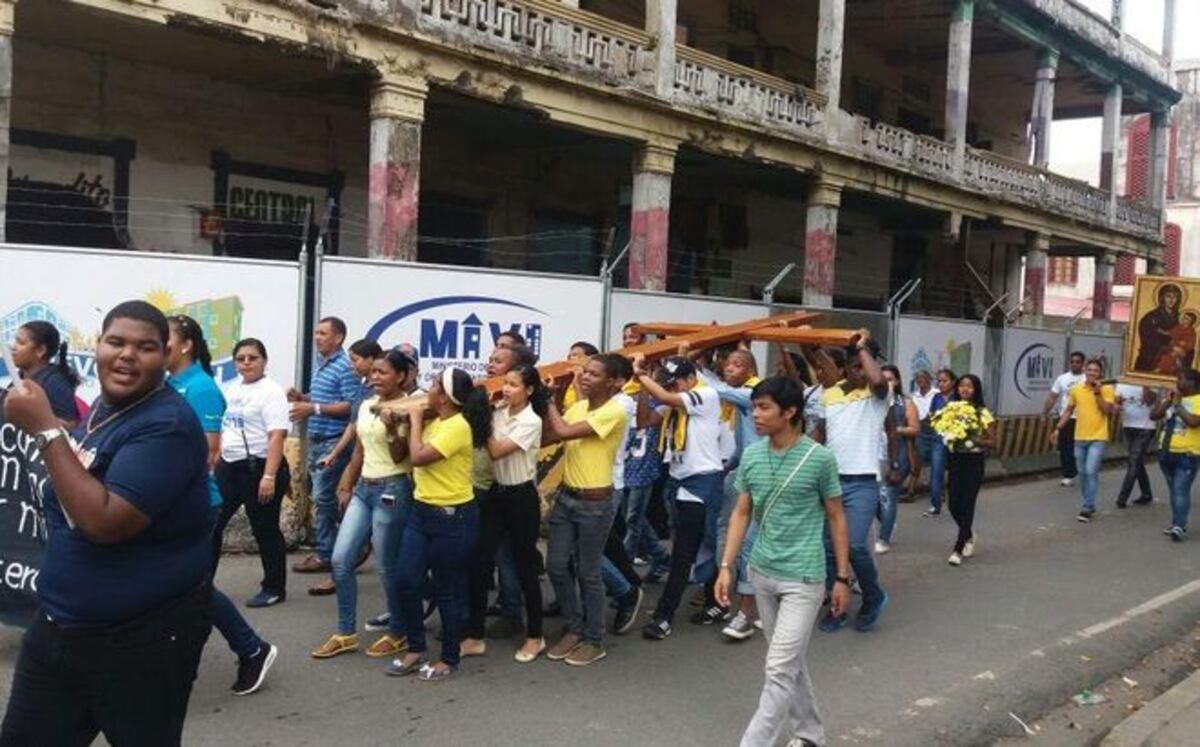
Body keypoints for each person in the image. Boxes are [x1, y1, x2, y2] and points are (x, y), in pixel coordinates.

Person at [0, 301, 212, 745]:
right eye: (116, 342)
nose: (127, 355)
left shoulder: (167, 424)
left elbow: (104, 522)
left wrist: (45, 429)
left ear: (165, 356)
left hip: (139, 640)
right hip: (57, 626)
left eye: (145, 347)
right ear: (97, 346)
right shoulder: (103, 406)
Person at [715, 376, 850, 747]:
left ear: (790, 412)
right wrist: (726, 567)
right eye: (754, 407)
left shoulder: (819, 459)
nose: (755, 415)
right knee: (789, 663)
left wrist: (842, 577)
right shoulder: (753, 455)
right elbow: (742, 512)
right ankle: (810, 734)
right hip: (761, 573)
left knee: (778, 668)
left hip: (803, 578)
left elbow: (837, 516)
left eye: (764, 407)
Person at [166, 315, 277, 696]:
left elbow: (208, 453)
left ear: (185, 345)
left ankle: (251, 648)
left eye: (163, 338)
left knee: (191, 585)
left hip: (189, 502)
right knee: (179, 584)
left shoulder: (201, 388)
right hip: (168, 500)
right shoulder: (170, 383)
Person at [312, 350, 417, 660]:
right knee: (340, 560)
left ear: (401, 376)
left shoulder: (410, 408)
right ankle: (345, 633)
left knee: (387, 567)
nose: (375, 377)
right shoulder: (366, 404)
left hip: (393, 489)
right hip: (363, 489)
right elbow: (359, 450)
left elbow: (401, 456)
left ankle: (398, 632)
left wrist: (391, 427)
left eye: (383, 372)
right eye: (373, 372)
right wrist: (346, 485)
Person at [390, 367, 491, 681]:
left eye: (434, 385)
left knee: (447, 589)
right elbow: (401, 454)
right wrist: (395, 427)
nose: (428, 389)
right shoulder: (437, 420)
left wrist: (414, 420)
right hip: (421, 511)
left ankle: (449, 658)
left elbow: (419, 457)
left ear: (445, 397)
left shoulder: (457, 426)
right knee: (405, 580)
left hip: (452, 517)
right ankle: (416, 648)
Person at [538, 353, 627, 666]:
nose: (585, 377)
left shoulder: (614, 411)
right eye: (585, 372)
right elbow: (550, 436)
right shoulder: (577, 408)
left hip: (595, 503)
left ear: (612, 382)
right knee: (556, 566)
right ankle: (574, 628)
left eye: (594, 374)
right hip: (567, 497)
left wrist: (549, 402)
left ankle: (594, 638)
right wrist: (548, 406)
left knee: (588, 572)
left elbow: (563, 432)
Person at [634, 356, 725, 642]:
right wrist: (644, 389)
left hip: (703, 481)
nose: (672, 388)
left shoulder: (705, 395)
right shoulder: (676, 401)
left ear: (690, 379)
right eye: (669, 384)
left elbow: (665, 397)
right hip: (678, 480)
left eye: (675, 383)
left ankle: (664, 615)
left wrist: (641, 376)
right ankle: (716, 601)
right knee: (694, 546)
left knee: (690, 549)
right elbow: (645, 421)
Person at [463, 364, 549, 662]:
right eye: (505, 383)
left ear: (529, 390)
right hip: (496, 493)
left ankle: (535, 636)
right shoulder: (499, 412)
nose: (507, 389)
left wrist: (482, 418)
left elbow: (497, 450)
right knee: (479, 562)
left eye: (514, 384)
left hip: (521, 496)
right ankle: (475, 636)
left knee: (525, 566)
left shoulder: (531, 421)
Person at [815, 330, 891, 633]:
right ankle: (838, 607)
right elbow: (820, 433)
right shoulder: (831, 394)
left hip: (862, 482)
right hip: (831, 481)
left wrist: (862, 348)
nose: (860, 371)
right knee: (830, 549)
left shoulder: (878, 394)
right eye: (854, 366)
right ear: (846, 367)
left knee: (857, 545)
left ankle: (873, 595)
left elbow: (877, 380)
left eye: (864, 365)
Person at [214, 339, 292, 607]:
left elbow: (277, 436)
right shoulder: (232, 389)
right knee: (212, 522)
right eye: (241, 358)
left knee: (264, 529)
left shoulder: (271, 392)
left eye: (253, 358)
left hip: (258, 467)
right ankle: (202, 584)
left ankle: (274, 588)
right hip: (229, 465)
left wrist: (269, 476)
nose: (246, 363)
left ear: (264, 361)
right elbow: (226, 427)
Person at [288, 318, 363, 593]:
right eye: (316, 332)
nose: (317, 337)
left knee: (323, 497)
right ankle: (345, 546)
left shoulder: (345, 366)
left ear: (339, 337)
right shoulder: (322, 363)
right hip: (317, 440)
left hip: (334, 441)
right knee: (322, 497)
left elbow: (352, 406)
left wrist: (314, 409)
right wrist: (304, 397)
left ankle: (329, 553)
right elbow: (326, 397)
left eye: (323, 333)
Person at [697, 348, 764, 639]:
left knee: (745, 541)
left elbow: (715, 389)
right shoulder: (742, 402)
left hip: (759, 477)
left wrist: (688, 363)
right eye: (728, 364)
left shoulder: (751, 394)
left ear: (751, 371)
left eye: (737, 365)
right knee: (729, 535)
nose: (728, 368)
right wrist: (730, 466)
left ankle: (744, 609)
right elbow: (743, 441)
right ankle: (733, 595)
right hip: (742, 473)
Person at [940, 375, 998, 566]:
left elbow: (993, 442)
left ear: (976, 390)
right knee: (953, 504)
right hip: (955, 460)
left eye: (970, 386)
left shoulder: (982, 412)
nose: (965, 389)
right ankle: (968, 533)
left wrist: (975, 440)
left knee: (967, 503)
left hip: (974, 462)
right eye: (962, 386)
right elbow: (942, 429)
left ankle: (958, 548)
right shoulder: (951, 409)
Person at [1050, 359, 1116, 523]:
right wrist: (1058, 428)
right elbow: (1068, 410)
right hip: (1079, 437)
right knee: (1082, 473)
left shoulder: (1107, 389)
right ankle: (1089, 502)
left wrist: (1097, 392)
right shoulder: (1077, 389)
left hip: (1098, 437)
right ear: (1085, 371)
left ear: (1100, 373)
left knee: (1091, 470)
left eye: (1096, 370)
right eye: (1090, 370)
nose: (1092, 373)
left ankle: (1087, 506)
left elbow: (1107, 410)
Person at [1150, 369, 1200, 541]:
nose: (1177, 382)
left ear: (1192, 382)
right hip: (1166, 451)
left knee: (1180, 489)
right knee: (1174, 490)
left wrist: (1178, 405)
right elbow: (1153, 416)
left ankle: (1179, 525)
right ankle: (1177, 522)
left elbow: (1193, 422)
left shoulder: (1198, 400)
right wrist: (1167, 402)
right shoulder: (1172, 399)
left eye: (1181, 379)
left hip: (1188, 453)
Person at [875, 364, 917, 555]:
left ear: (897, 381)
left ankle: (883, 538)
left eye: (890, 379)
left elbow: (915, 429)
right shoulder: (872, 400)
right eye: (883, 379)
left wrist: (895, 429)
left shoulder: (905, 402)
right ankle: (888, 523)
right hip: (875, 453)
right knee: (874, 497)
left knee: (889, 496)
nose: (887, 383)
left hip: (898, 453)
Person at [8, 320, 81, 427]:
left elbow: (70, 426)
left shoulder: (55, 384)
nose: (13, 347)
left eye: (21, 343)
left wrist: (33, 417)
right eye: (15, 341)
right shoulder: (19, 377)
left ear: (41, 350)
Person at [1044, 352, 1086, 488]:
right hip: (1066, 417)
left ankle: (1083, 470)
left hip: (1083, 418)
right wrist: (1045, 413)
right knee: (1065, 447)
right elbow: (1052, 396)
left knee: (1080, 447)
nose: (1074, 364)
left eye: (1078, 362)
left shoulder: (1087, 378)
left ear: (1083, 363)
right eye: (1072, 361)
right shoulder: (1062, 378)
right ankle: (1069, 475)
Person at [1114, 382, 1157, 508]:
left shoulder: (1152, 382)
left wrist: (1145, 384)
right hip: (1128, 426)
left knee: (1133, 462)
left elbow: (1149, 401)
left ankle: (1122, 498)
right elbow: (1117, 402)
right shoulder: (1122, 384)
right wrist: (1117, 406)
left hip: (1146, 427)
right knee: (1137, 462)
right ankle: (1146, 494)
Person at [919, 368, 954, 517]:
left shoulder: (957, 397)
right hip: (938, 438)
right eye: (939, 381)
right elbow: (931, 416)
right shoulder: (936, 398)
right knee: (936, 472)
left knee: (955, 473)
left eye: (944, 381)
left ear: (952, 382)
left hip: (956, 439)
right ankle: (935, 505)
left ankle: (956, 503)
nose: (941, 384)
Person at [1134, 283, 1183, 372]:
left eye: (1175, 297)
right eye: (1168, 296)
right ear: (1162, 298)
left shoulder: (1179, 317)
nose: (1171, 300)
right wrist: (1170, 348)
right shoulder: (1151, 317)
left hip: (1171, 360)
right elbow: (1148, 340)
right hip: (1150, 359)